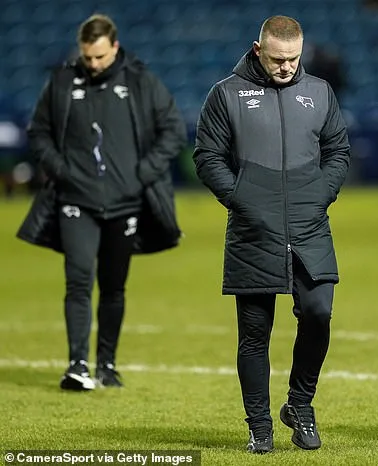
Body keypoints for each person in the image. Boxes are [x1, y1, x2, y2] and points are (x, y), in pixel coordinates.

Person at [193, 15, 350, 454]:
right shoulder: (226, 94)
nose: (286, 67)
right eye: (278, 59)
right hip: (252, 229)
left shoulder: (320, 92)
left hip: (309, 225)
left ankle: (299, 404)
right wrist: (240, 198)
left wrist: (320, 194)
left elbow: (338, 150)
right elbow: (207, 157)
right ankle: (259, 426)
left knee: (319, 314)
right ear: (258, 49)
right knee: (254, 333)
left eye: (293, 59)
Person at [17, 14, 186, 391]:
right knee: (78, 280)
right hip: (75, 200)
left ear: (115, 47)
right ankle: (77, 365)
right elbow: (39, 132)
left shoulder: (140, 81)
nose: (93, 64)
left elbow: (173, 130)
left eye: (99, 56)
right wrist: (60, 169)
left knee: (113, 287)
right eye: (87, 56)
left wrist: (142, 173)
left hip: (125, 203)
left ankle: (107, 365)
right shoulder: (62, 81)